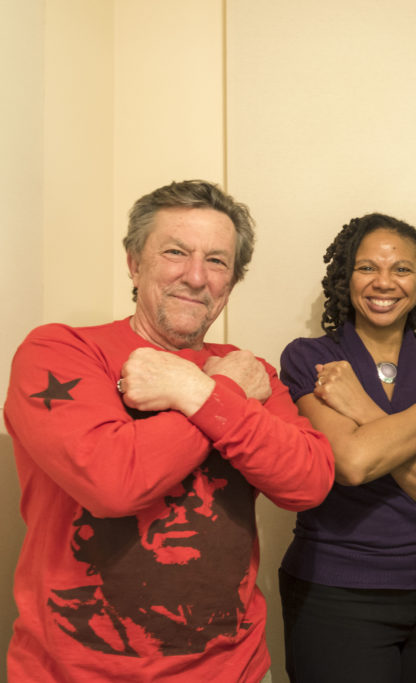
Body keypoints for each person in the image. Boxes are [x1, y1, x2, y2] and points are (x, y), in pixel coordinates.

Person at [3, 180, 336, 682]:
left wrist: (197, 391)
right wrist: (223, 394)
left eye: (218, 261)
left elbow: (308, 483)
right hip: (74, 672)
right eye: (175, 252)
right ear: (135, 263)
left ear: (232, 280)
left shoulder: (249, 371)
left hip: (236, 671)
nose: (196, 276)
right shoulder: (60, 351)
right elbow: (112, 483)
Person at [277, 213, 416, 682]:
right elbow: (353, 462)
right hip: (334, 591)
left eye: (401, 269)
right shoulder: (311, 358)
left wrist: (361, 410)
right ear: (347, 276)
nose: (384, 283)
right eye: (368, 268)